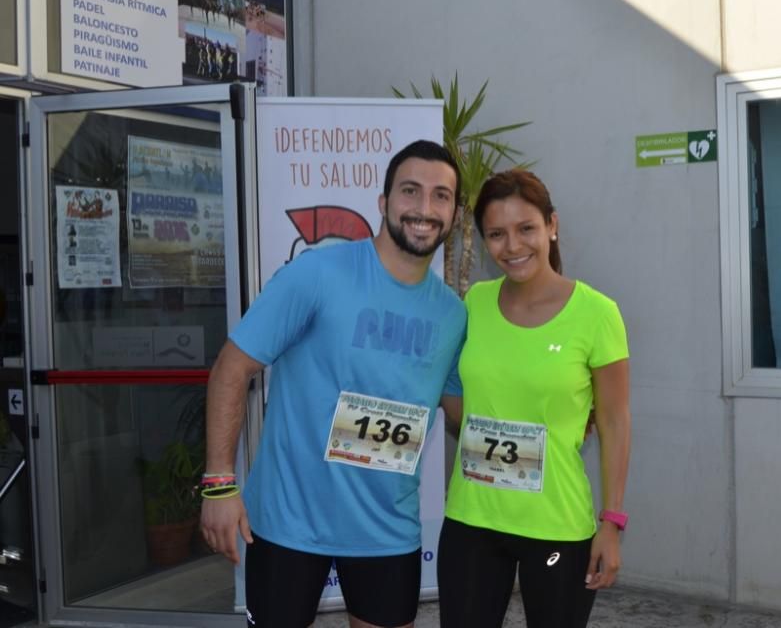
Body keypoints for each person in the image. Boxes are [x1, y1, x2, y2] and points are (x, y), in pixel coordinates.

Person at [199, 140, 467, 628]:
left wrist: (534, 442)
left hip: (387, 528)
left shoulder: (453, 314)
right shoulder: (318, 273)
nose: (424, 209)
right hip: (288, 524)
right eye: (411, 191)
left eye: (441, 196)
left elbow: (456, 407)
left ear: (454, 213)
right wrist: (219, 483)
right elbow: (231, 368)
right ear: (384, 203)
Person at [437, 169, 631, 628]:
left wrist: (612, 522)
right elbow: (454, 390)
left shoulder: (598, 314)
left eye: (526, 228)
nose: (513, 245)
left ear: (552, 226)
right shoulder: (474, 304)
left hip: (557, 527)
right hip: (472, 522)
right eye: (497, 234)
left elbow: (615, 422)